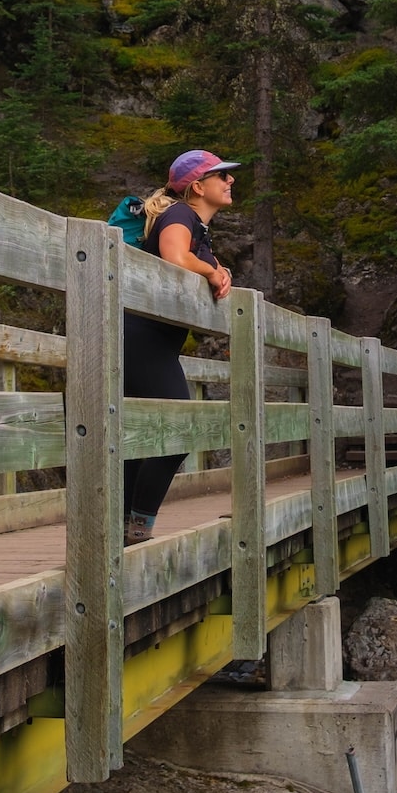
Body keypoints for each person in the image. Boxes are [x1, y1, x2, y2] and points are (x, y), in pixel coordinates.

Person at [122, 148, 240, 545]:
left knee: (137, 438)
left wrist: (219, 270)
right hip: (142, 338)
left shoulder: (196, 227)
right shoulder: (180, 215)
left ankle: (122, 528)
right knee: (179, 431)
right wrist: (212, 271)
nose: (230, 180)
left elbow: (193, 258)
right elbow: (174, 257)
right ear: (198, 187)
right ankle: (137, 526)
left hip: (148, 341)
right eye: (221, 175)